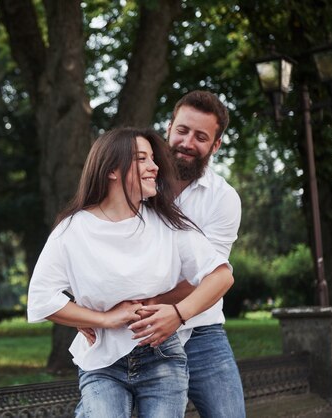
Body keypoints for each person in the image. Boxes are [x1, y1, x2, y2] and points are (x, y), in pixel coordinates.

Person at [27, 127, 234, 418]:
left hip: (162, 357)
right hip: (102, 361)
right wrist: (103, 318)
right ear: (112, 169)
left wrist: (178, 314)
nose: (155, 167)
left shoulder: (168, 224)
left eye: (153, 158)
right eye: (142, 159)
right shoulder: (73, 230)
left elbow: (222, 275)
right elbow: (41, 299)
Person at [81, 91, 245, 417]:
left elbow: (209, 277)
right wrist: (93, 311)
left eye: (201, 137)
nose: (187, 142)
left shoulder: (223, 199)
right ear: (169, 128)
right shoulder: (131, 182)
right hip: (132, 330)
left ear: (215, 146)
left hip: (200, 329)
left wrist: (150, 309)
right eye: (182, 130)